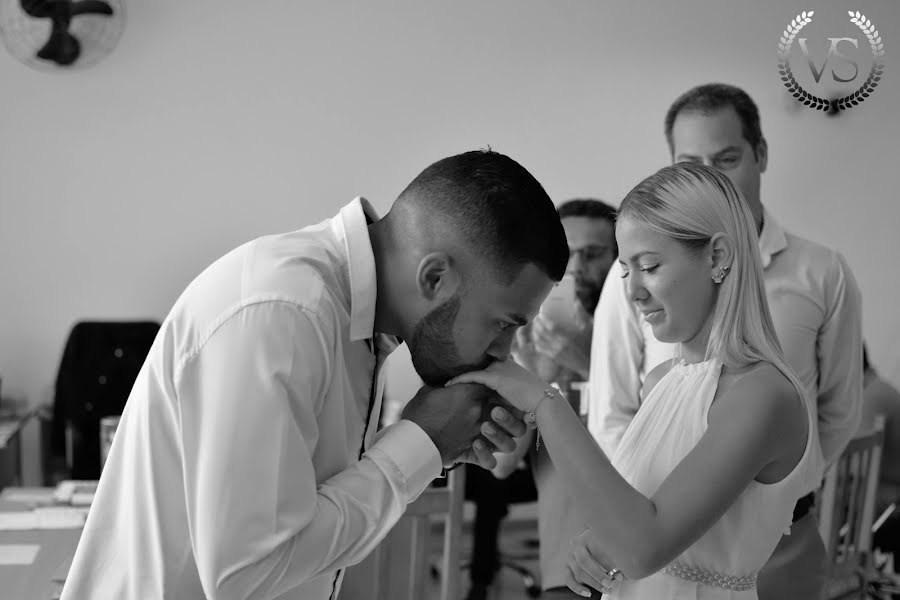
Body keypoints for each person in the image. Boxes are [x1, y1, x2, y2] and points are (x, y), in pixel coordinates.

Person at [60, 149, 570, 600]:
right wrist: (420, 443)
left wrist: (433, 447)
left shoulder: (352, 315)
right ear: (434, 277)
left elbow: (305, 515)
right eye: (503, 325)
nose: (503, 352)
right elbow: (248, 575)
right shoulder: (282, 311)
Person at [451, 162, 821, 599]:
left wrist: (544, 401)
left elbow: (644, 549)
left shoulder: (762, 395)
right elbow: (638, 520)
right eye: (626, 270)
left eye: (649, 266)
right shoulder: (664, 380)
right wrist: (599, 537)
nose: (632, 292)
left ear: (718, 257)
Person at [588, 83, 863, 599]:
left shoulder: (822, 272)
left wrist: (772, 490)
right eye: (690, 162)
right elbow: (614, 410)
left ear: (760, 155)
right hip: (652, 534)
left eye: (727, 158)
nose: (710, 177)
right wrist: (636, 511)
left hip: (782, 531)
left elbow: (838, 407)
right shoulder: (632, 283)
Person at [491, 198, 618, 599]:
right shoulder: (527, 337)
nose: (578, 268)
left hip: (642, 556)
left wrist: (584, 360)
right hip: (564, 571)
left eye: (594, 255)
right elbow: (501, 464)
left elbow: (649, 437)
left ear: (618, 260)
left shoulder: (645, 334)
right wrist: (538, 375)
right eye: (568, 255)